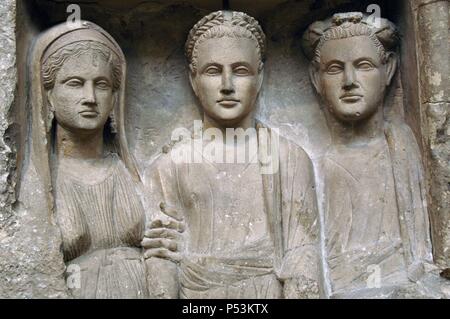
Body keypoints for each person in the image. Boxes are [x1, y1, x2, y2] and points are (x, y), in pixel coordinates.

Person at [143, 10, 321, 299]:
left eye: (240, 70)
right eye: (213, 71)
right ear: (193, 78)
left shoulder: (289, 158)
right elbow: (162, 257)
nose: (227, 85)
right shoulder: (168, 167)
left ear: (260, 76)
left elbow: (302, 254)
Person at [302, 12, 434, 297]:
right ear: (316, 78)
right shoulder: (310, 165)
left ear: (388, 70)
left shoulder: (403, 148)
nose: (349, 81)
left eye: (363, 66)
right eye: (335, 68)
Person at [25, 21, 149, 298]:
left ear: (115, 96)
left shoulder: (130, 174)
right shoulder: (40, 185)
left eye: (101, 85)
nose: (90, 98)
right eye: (75, 84)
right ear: (49, 95)